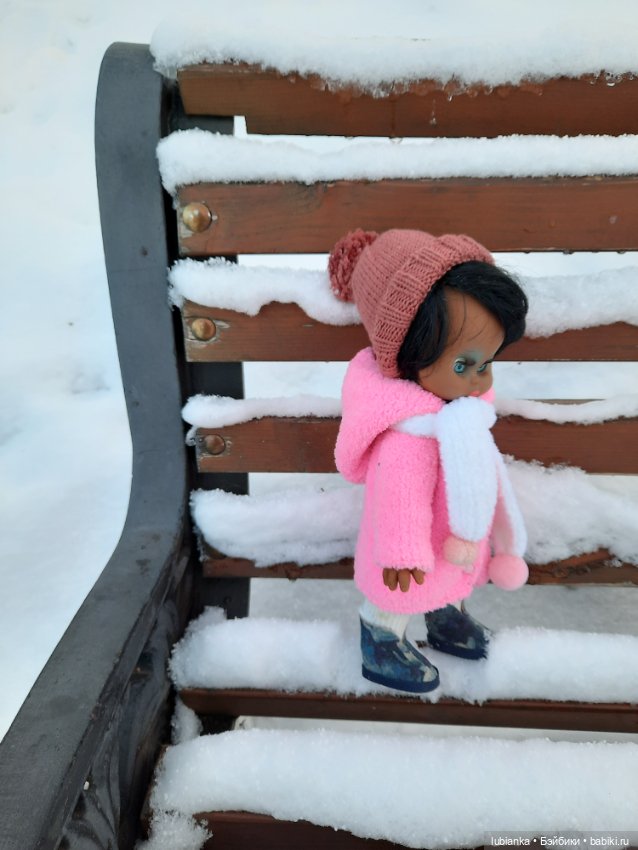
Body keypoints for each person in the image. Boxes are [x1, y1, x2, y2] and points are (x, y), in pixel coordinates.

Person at [330, 229, 530, 694]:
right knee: (398, 594)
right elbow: (396, 497)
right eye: (464, 365)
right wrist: (400, 552)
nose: (481, 379)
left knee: (448, 578)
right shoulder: (408, 434)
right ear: (406, 354)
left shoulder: (462, 416)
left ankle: (446, 618)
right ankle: (379, 637)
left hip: (450, 539)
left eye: (487, 362)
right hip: (406, 552)